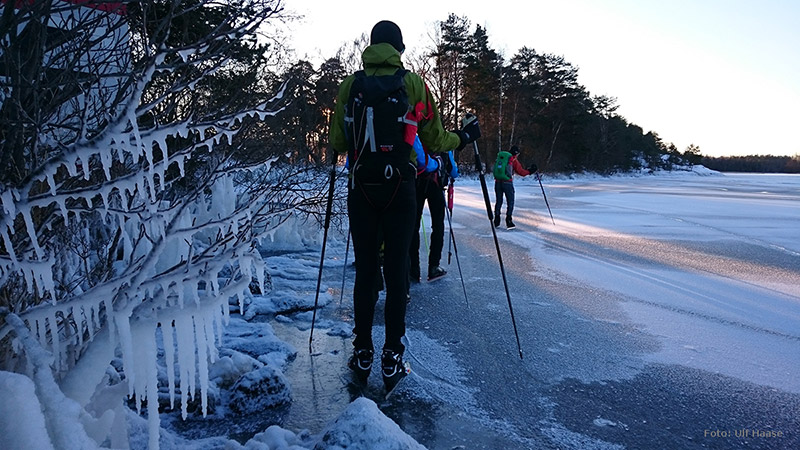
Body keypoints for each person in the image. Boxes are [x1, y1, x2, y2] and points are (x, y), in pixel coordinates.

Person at [329, 20, 479, 389]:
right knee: (397, 272)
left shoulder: (350, 85)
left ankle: (362, 350)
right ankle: (393, 355)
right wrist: (463, 136)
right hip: (401, 188)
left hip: (361, 187)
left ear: (371, 47)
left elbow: (337, 142)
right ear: (398, 48)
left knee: (366, 270)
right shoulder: (413, 84)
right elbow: (435, 138)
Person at [409, 137, 459, 283]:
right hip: (436, 187)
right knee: (438, 226)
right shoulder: (443, 143)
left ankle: (413, 269)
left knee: (413, 226)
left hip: (417, 185)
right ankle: (434, 267)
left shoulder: (417, 140)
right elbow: (453, 171)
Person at [493, 145, 537, 229]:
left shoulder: (502, 158)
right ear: (516, 154)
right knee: (510, 201)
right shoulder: (513, 160)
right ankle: (508, 220)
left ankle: (497, 219)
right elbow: (521, 172)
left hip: (498, 182)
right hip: (507, 183)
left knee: (499, 201)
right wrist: (531, 171)